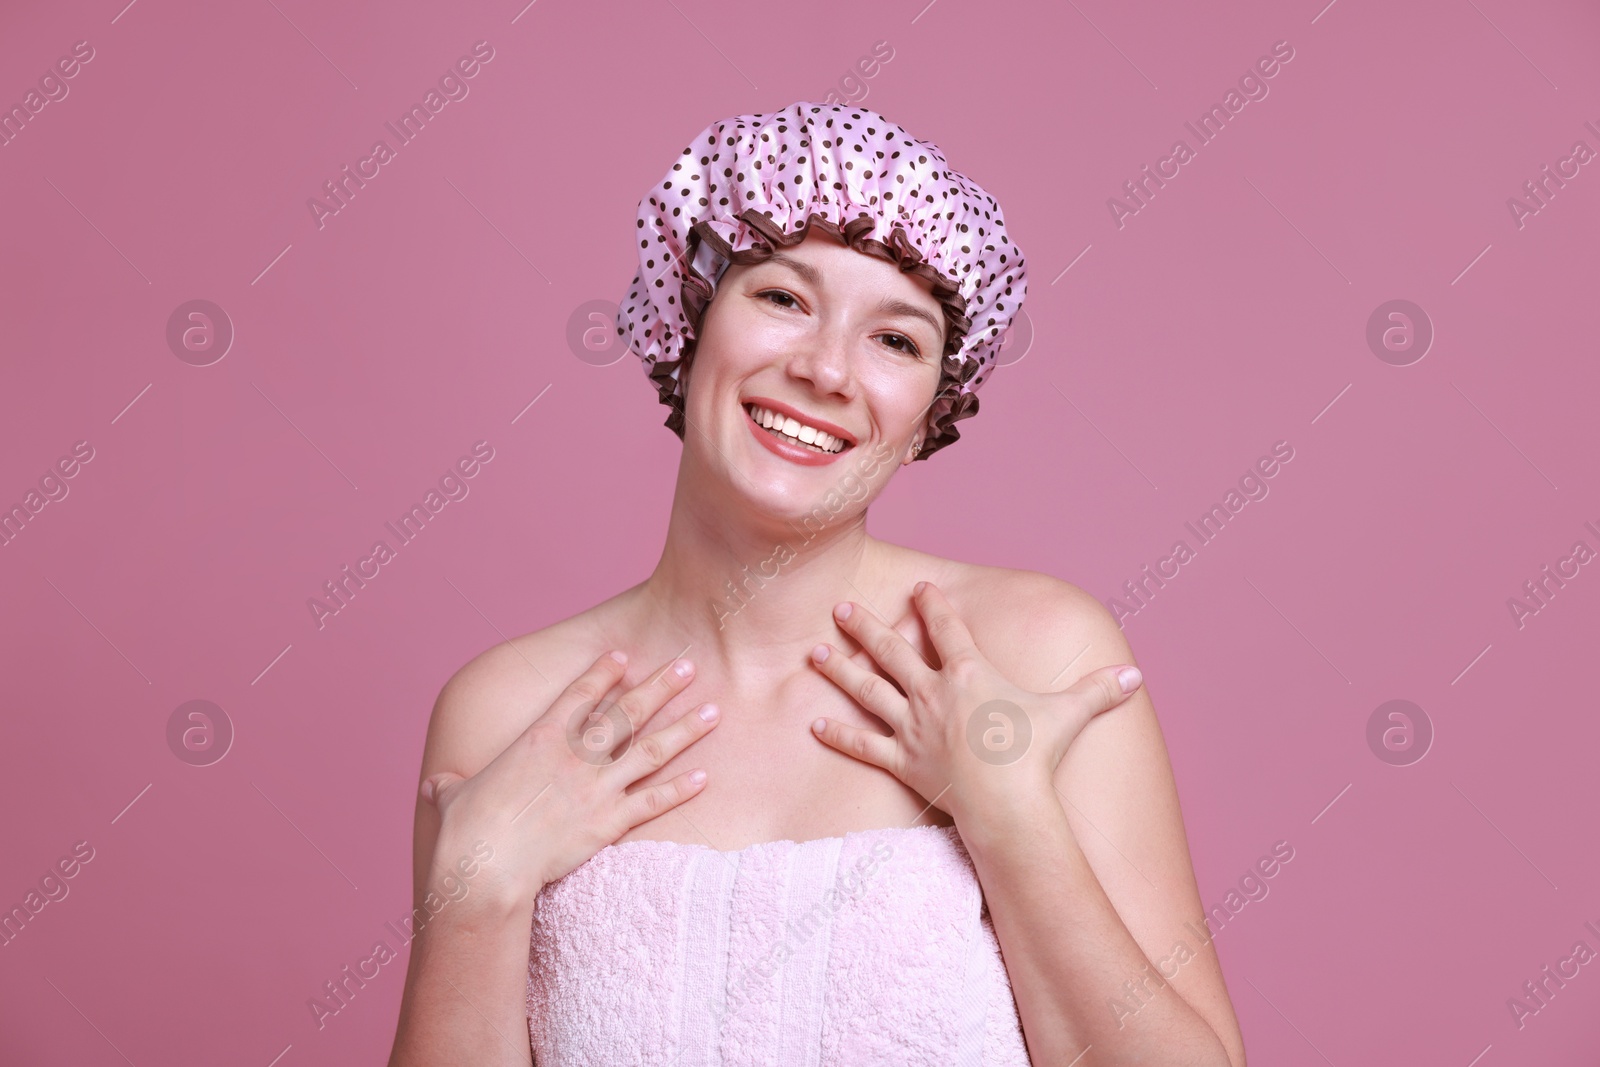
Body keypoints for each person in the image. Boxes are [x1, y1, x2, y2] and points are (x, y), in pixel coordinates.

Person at [386, 101, 1247, 1066]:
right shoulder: (509, 708)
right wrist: (476, 893)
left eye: (897, 340)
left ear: (931, 414)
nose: (827, 369)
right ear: (691, 324)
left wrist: (1011, 818)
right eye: (784, 299)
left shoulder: (1037, 656)